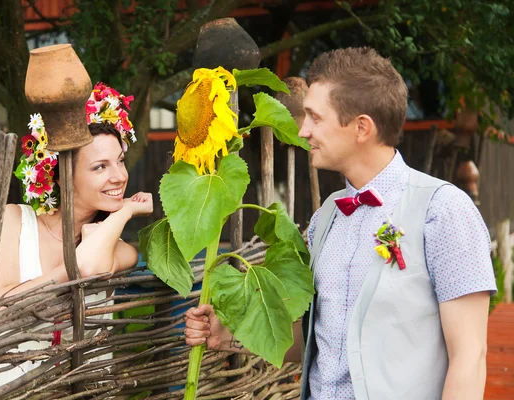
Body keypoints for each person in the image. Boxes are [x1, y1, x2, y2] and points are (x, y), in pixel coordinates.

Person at [185, 47, 496, 400]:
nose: (303, 131)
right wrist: (231, 334)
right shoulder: (326, 217)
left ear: (361, 127)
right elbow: (321, 336)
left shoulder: (443, 212)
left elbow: (470, 357)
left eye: (316, 118)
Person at [0, 83, 153, 389]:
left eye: (119, 161)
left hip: (83, 391)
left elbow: (90, 265)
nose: (119, 176)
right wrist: (67, 268)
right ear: (63, 174)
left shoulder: (118, 249)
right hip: (11, 389)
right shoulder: (14, 220)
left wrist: (122, 212)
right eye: (100, 166)